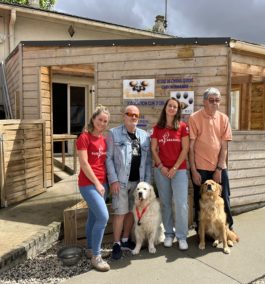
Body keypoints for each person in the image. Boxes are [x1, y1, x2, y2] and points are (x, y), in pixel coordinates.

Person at [106, 105, 152, 260]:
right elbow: (108, 159)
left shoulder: (144, 136)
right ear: (123, 116)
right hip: (121, 182)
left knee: (132, 212)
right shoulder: (114, 133)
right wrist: (113, 180)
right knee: (120, 213)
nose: (133, 117)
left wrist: (147, 184)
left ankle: (126, 240)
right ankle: (116, 244)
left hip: (138, 183)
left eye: (136, 115)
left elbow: (147, 163)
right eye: (130, 114)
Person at [188, 87, 234, 232]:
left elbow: (224, 146)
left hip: (219, 167)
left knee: (224, 198)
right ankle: (201, 231)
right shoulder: (194, 118)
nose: (215, 103)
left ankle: (227, 228)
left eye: (217, 100)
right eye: (211, 100)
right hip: (200, 167)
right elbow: (190, 147)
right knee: (200, 199)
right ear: (204, 101)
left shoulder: (224, 118)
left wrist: (219, 169)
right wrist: (193, 170)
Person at [151, 98, 190, 250]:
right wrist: (161, 166)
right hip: (161, 170)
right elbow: (154, 149)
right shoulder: (157, 128)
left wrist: (174, 168)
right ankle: (169, 234)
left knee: (181, 204)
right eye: (170, 105)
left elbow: (185, 149)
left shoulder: (182, 126)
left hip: (179, 170)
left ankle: (181, 236)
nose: (172, 108)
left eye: (175, 106)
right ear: (165, 108)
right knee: (166, 203)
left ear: (177, 110)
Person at [76, 105, 110, 272]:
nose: (102, 123)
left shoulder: (104, 140)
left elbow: (103, 163)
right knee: (103, 217)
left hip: (102, 184)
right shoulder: (84, 137)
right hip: (88, 184)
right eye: (100, 120)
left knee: (93, 216)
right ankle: (96, 257)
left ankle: (90, 249)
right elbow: (84, 163)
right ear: (93, 119)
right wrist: (97, 183)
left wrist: (105, 184)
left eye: (105, 121)